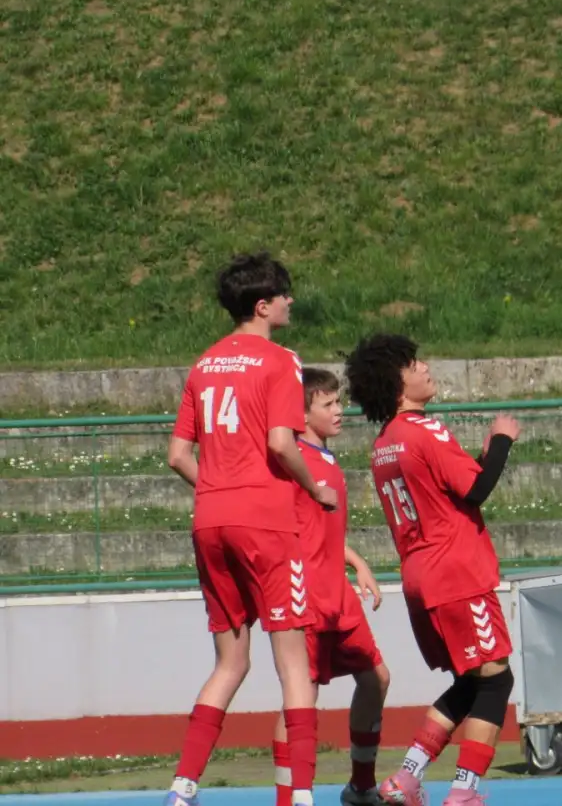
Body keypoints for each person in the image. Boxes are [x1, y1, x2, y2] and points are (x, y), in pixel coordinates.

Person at [165, 252, 338, 806]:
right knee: (293, 664)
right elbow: (282, 443)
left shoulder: (203, 363)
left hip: (210, 520)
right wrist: (316, 490)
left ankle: (182, 788)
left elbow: (177, 455)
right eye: (285, 295)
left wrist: (218, 487)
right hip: (265, 523)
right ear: (263, 306)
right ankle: (303, 795)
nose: (291, 302)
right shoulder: (280, 360)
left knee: (230, 662)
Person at [344, 335, 521, 806]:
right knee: (497, 679)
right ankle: (464, 791)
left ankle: (406, 777)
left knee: (471, 679)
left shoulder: (385, 444)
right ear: (396, 381)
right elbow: (478, 491)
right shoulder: (425, 430)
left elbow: (448, 492)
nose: (425, 367)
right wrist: (502, 438)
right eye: (414, 363)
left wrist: (482, 455)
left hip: (422, 576)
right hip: (458, 573)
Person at [271, 368, 390, 806]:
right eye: (328, 404)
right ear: (302, 415)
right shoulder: (291, 462)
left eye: (339, 401)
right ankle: (289, 798)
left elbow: (322, 529)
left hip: (337, 588)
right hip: (305, 592)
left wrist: (356, 561)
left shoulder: (328, 459)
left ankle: (360, 786)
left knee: (376, 678)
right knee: (301, 698)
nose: (340, 410)